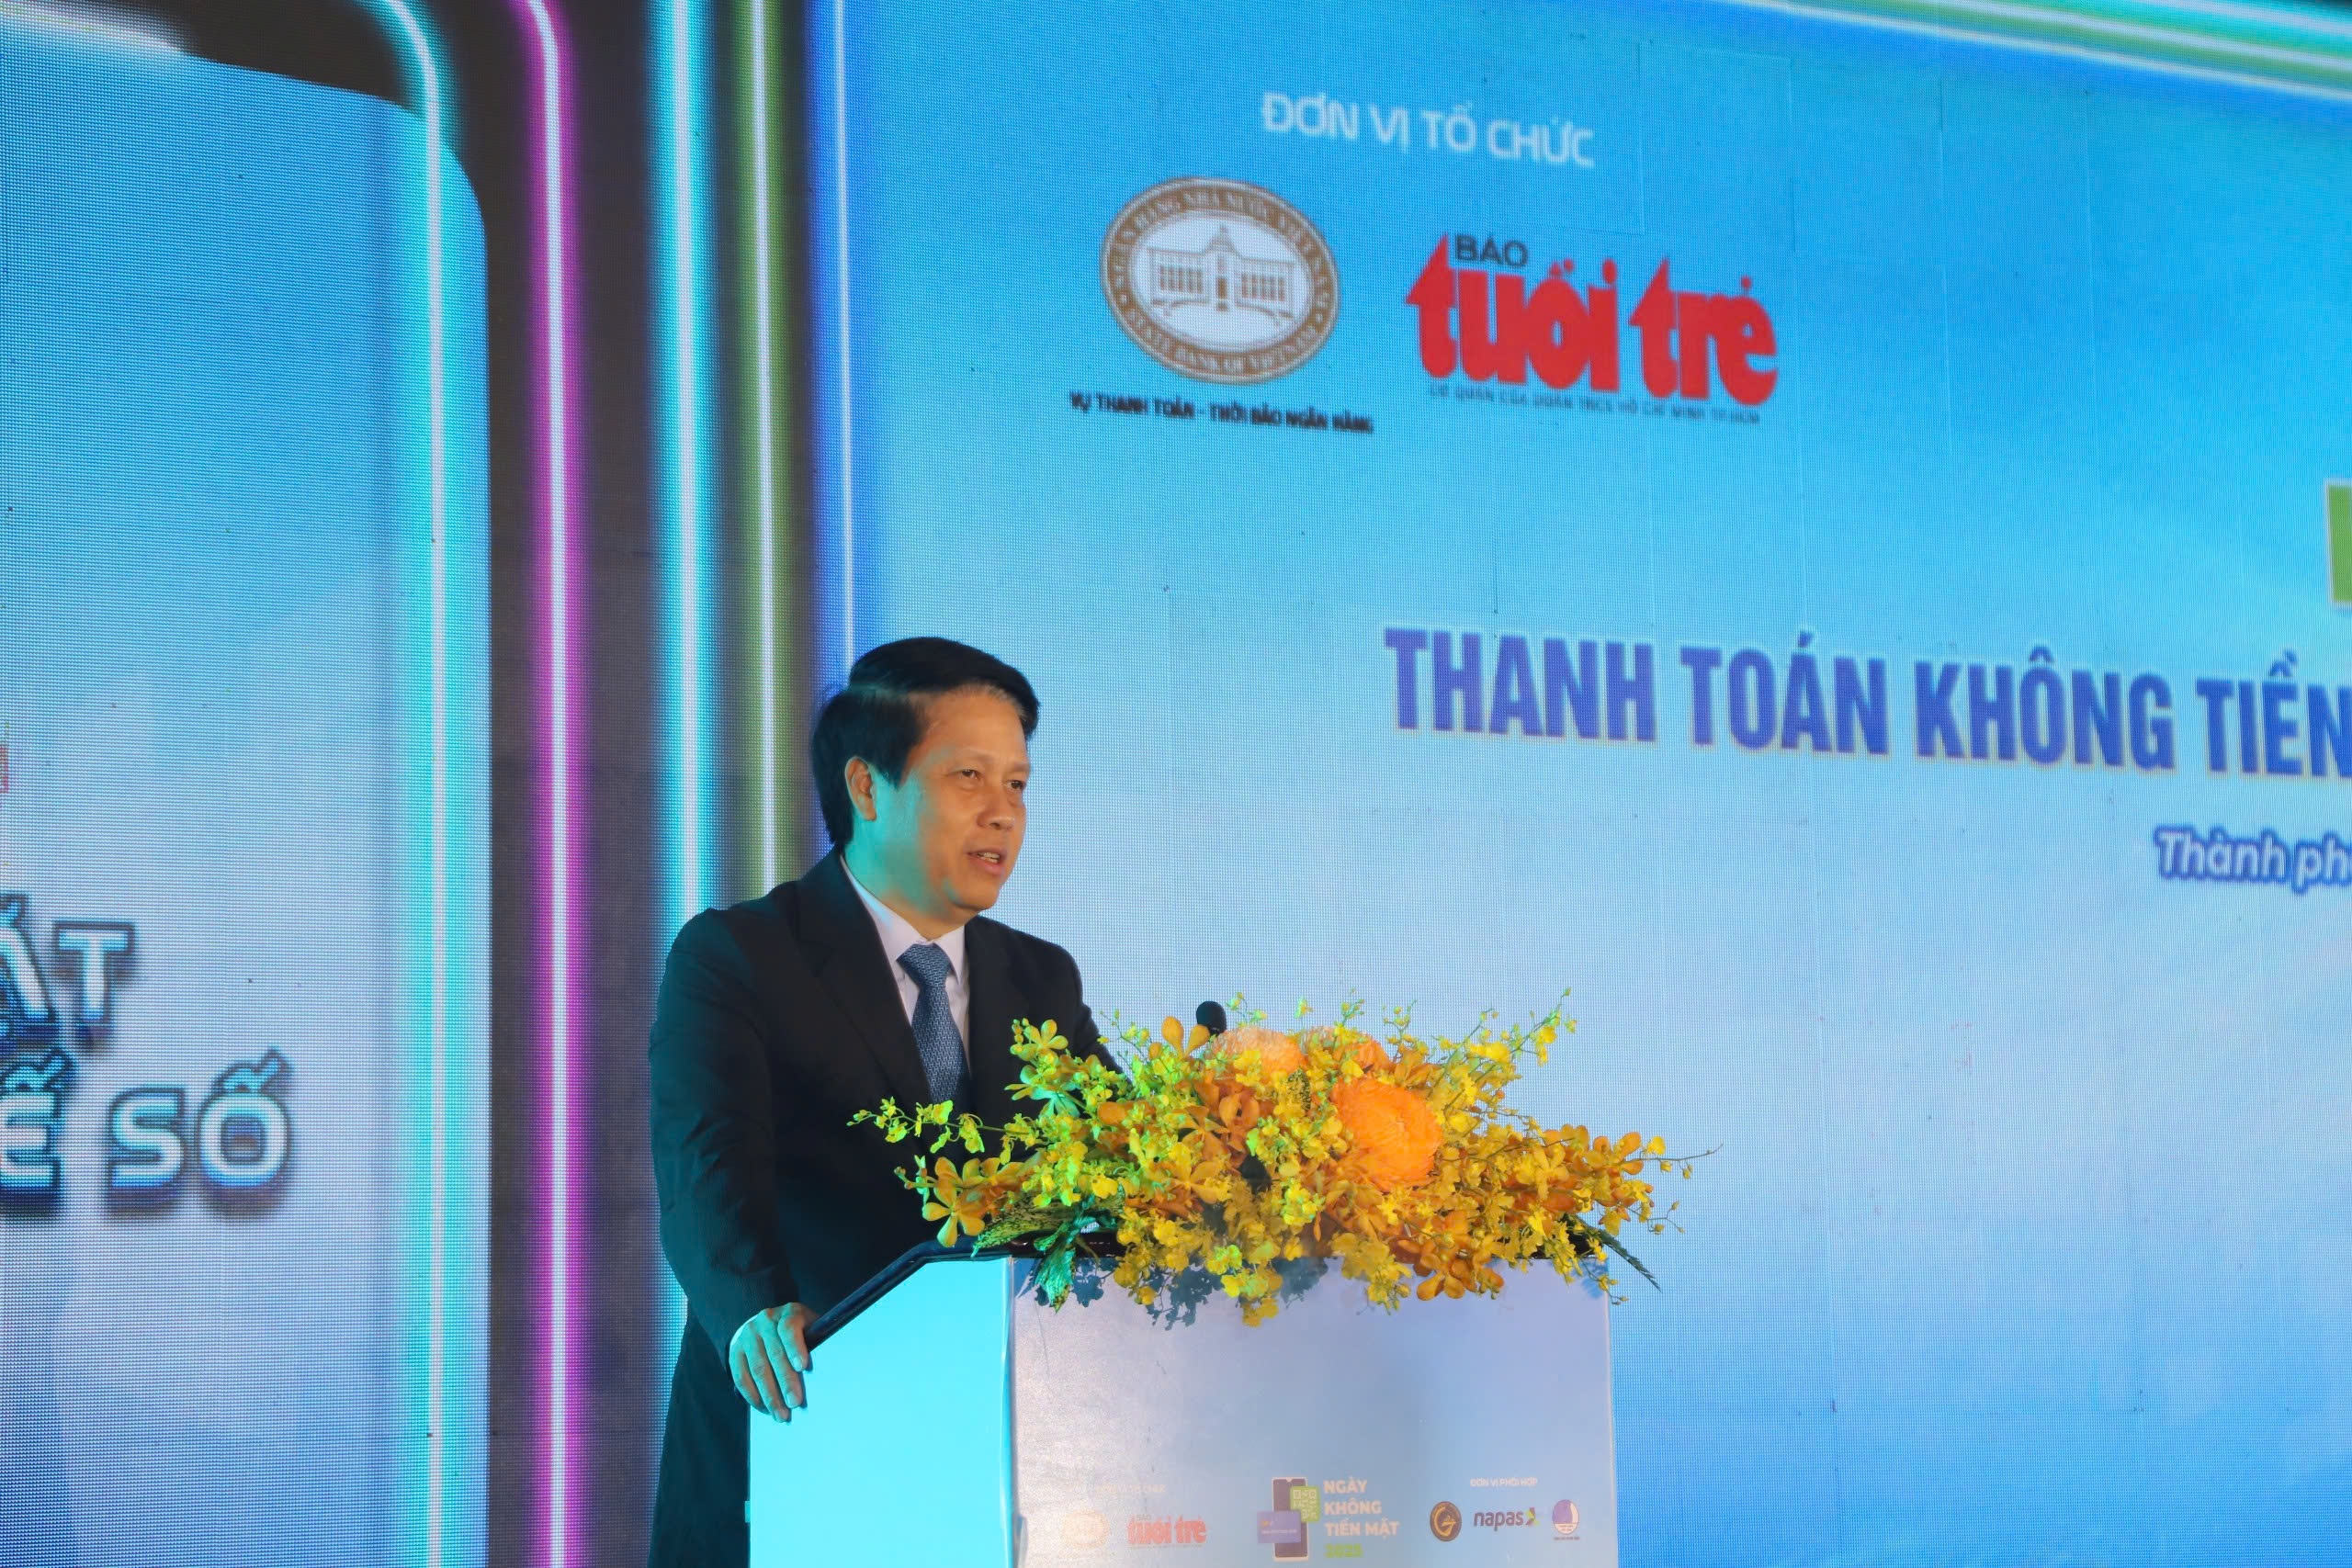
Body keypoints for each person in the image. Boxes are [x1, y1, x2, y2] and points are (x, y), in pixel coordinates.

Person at [646, 636, 1112, 1567]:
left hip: (985, 1455)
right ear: (866, 786)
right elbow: (706, 1165)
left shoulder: (1041, 977)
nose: (1002, 812)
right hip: (798, 1416)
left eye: (1018, 784)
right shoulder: (740, 956)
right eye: (968, 776)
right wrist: (753, 1307)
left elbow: (1109, 1163)